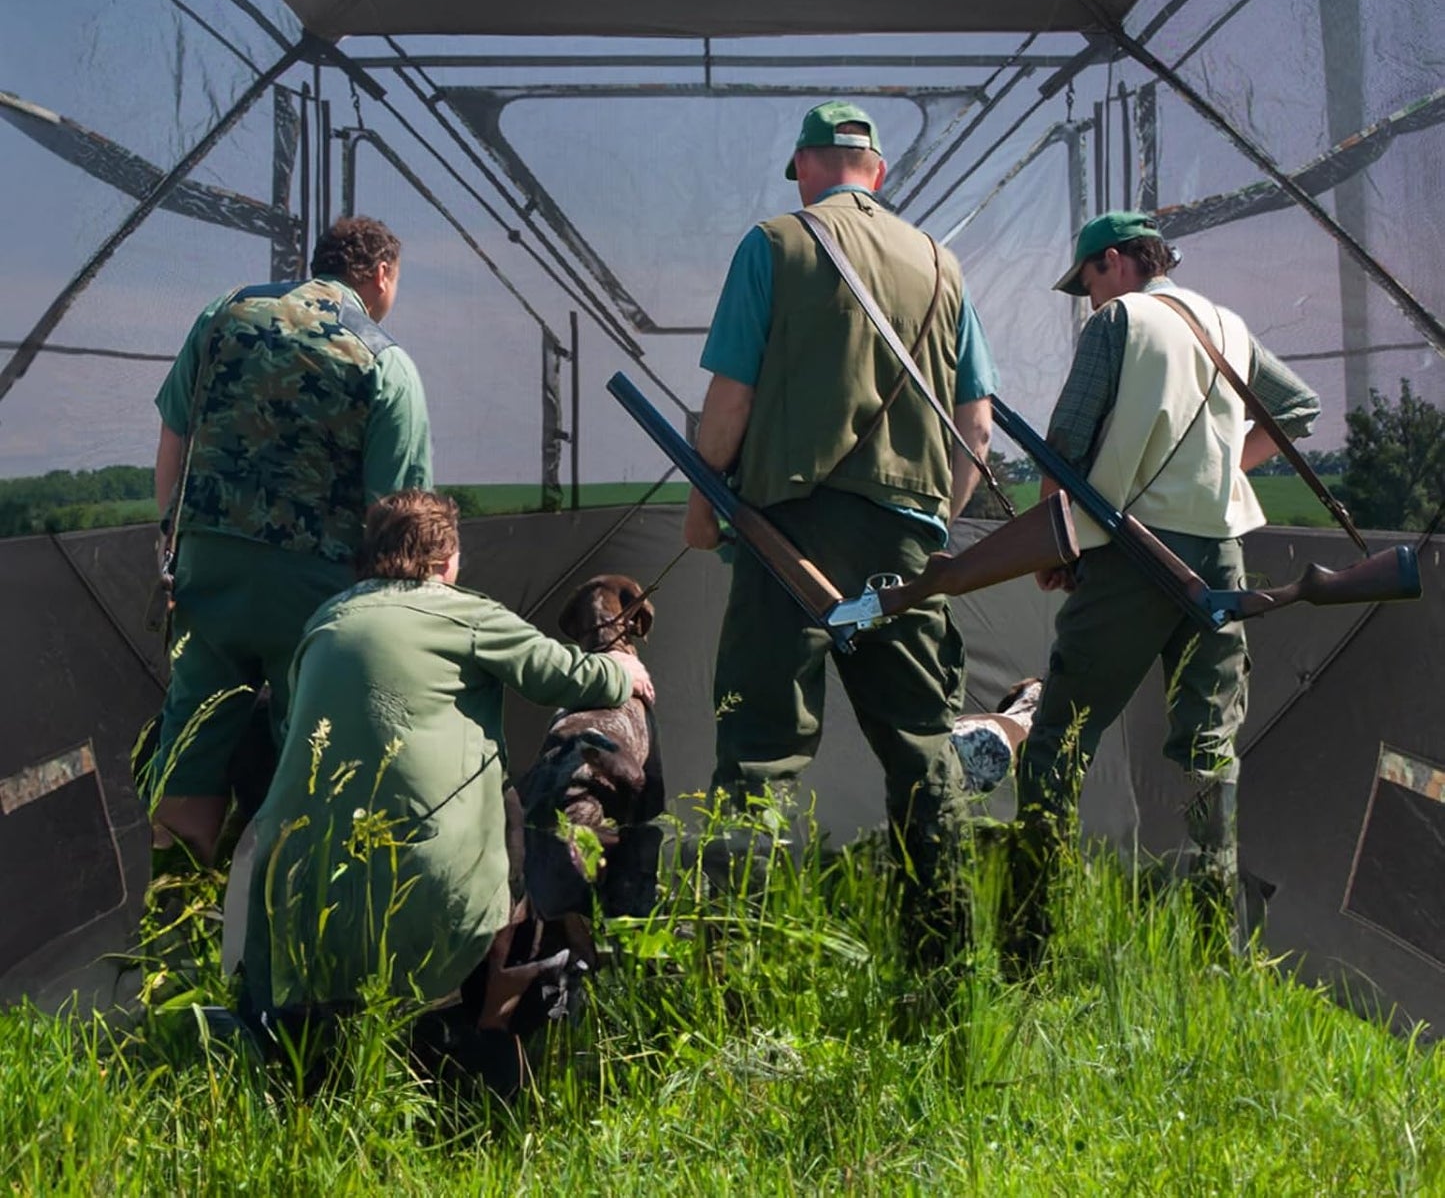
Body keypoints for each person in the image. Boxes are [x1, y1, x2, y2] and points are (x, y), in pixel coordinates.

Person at [684, 99, 1000, 940]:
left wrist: (702, 503)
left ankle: (733, 972)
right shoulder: (942, 265)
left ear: (804, 168)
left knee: (758, 751)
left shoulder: (773, 244)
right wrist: (931, 527)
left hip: (783, 531)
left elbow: (729, 402)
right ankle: (948, 957)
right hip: (905, 538)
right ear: (879, 173)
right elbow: (976, 425)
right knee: (923, 745)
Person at [1010, 210, 1321, 958]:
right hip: (1219, 558)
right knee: (1209, 749)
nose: (1086, 298)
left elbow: (1064, 443)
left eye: (1085, 280)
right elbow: (1298, 407)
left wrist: (1053, 545)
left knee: (1058, 735)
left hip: (1130, 552)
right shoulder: (1225, 322)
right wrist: (1219, 471)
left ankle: (1030, 935)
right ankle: (1216, 950)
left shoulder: (1117, 322)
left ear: (1113, 262)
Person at [240, 490, 654, 1030]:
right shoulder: (464, 613)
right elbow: (563, 674)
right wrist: (622, 672)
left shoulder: (327, 619)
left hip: (301, 881)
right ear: (445, 559)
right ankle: (493, 1035)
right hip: (432, 884)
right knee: (512, 821)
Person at [147, 216, 433, 869]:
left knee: (191, 749)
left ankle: (174, 934)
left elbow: (173, 436)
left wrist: (174, 543)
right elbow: (401, 520)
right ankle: (291, 929)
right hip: (314, 593)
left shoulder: (226, 313)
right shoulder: (384, 359)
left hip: (206, 566)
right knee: (315, 764)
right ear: (381, 275)